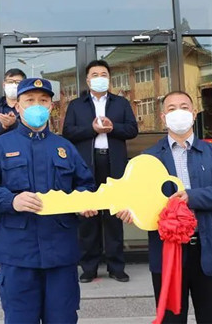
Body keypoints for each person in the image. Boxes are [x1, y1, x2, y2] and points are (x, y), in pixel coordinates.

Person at [0, 77, 96, 324]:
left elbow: (86, 185)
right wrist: (11, 200)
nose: (37, 105)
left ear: (51, 107)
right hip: (17, 254)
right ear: (17, 106)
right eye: (29, 100)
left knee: (62, 319)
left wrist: (84, 203)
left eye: (43, 100)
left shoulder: (65, 148)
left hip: (60, 253)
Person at [117, 90, 212, 324]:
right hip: (168, 251)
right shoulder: (149, 158)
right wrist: (131, 211)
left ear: (194, 113)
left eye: (184, 107)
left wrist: (192, 197)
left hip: (208, 248)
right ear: (163, 117)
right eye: (171, 109)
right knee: (171, 319)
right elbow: (137, 198)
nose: (178, 113)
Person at [63, 59, 138, 283]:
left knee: (114, 215)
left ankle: (116, 266)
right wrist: (92, 129)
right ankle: (89, 267)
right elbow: (68, 132)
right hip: (87, 164)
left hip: (113, 163)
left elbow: (132, 129)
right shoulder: (76, 105)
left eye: (103, 74)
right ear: (88, 80)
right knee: (88, 216)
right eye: (94, 75)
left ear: (109, 78)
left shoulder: (121, 103)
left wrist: (113, 128)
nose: (99, 78)